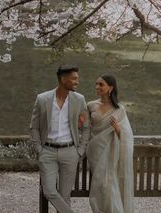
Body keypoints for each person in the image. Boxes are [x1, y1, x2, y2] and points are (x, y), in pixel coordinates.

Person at [30, 65, 90, 213]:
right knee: (49, 191)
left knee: (64, 195)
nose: (77, 81)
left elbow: (86, 127)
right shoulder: (42, 99)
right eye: (74, 78)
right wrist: (39, 149)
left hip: (70, 152)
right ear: (63, 79)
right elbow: (34, 127)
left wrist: (80, 150)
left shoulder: (79, 99)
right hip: (47, 152)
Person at [87, 75, 134, 213]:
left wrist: (118, 129)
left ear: (110, 88)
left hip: (111, 151)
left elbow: (127, 136)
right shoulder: (91, 105)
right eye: (96, 84)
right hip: (95, 151)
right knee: (100, 184)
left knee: (108, 183)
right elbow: (86, 128)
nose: (97, 87)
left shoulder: (120, 109)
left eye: (101, 84)